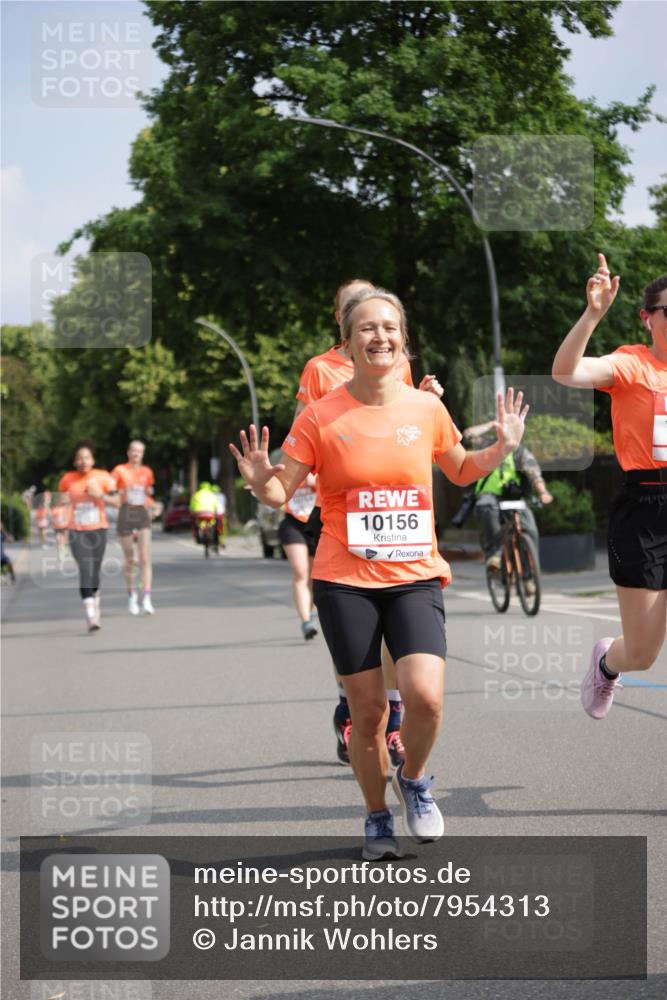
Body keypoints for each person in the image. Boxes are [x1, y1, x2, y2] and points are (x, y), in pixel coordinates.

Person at [232, 288, 527, 858]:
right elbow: (279, 492)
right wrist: (259, 477)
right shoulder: (321, 415)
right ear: (346, 343)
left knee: (427, 697)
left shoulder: (426, 408)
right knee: (366, 713)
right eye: (366, 329)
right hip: (345, 578)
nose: (380, 337)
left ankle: (413, 780)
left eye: (390, 328)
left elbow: (461, 470)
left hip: (415, 571)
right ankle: (375, 817)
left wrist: (501, 448)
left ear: (403, 339)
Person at [295, 278, 445, 768]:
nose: (373, 324)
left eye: (379, 313)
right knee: (355, 618)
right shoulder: (319, 369)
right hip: (342, 511)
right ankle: (353, 700)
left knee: (396, 624)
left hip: (398, 514)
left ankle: (394, 713)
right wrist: (283, 481)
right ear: (343, 321)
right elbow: (304, 432)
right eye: (356, 311)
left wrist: (422, 396)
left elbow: (408, 411)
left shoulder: (395, 357)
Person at [553, 253, 667, 718]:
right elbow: (565, 372)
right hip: (645, 509)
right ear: (647, 318)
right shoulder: (630, 365)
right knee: (641, 653)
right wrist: (593, 314)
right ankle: (606, 662)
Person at [463, 421, 553, 578]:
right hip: (489, 495)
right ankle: (494, 556)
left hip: (514, 497)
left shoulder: (521, 452)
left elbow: (534, 474)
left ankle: (529, 577)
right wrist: (491, 424)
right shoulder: (486, 445)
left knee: (531, 530)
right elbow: (467, 435)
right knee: (487, 509)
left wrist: (543, 492)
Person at [58, 441, 119, 632]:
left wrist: (100, 495)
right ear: (75, 461)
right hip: (76, 530)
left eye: (86, 457)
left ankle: (95, 601)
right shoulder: (67, 479)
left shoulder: (103, 477)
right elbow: (60, 503)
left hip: (98, 529)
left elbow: (117, 502)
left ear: (92, 460)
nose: (83, 461)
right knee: (85, 569)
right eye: (79, 458)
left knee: (94, 571)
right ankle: (91, 616)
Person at [112, 441, 156, 616]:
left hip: (141, 512)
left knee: (145, 557)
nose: (136, 454)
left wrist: (150, 496)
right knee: (130, 559)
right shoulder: (119, 470)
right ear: (128, 452)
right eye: (134, 451)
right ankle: (131, 596)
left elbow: (148, 490)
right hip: (125, 512)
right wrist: (117, 494)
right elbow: (110, 488)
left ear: (143, 454)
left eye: (140, 451)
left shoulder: (147, 472)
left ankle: (147, 598)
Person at [278, 473, 319, 639]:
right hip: (293, 524)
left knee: (314, 576)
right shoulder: (289, 471)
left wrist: (315, 482)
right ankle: (306, 621)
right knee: (300, 571)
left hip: (317, 522)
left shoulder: (321, 468)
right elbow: (273, 494)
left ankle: (311, 610)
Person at [190, 481, 220, 548]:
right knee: (213, 523)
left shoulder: (196, 494)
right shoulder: (212, 494)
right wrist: (215, 513)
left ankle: (197, 536)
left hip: (199, 513)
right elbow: (216, 505)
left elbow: (191, 506)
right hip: (210, 513)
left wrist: (192, 513)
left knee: (196, 524)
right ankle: (211, 533)